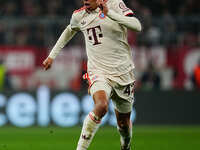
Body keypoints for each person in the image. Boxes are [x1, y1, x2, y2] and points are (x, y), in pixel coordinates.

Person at [43, 0, 142, 150]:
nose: (85, 1)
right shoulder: (79, 15)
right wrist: (52, 56)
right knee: (101, 106)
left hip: (123, 73)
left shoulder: (115, 4)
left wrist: (110, 14)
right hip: (98, 72)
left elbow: (137, 26)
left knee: (123, 124)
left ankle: (125, 146)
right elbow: (69, 30)